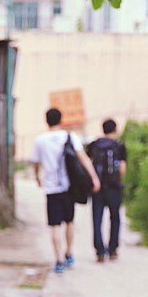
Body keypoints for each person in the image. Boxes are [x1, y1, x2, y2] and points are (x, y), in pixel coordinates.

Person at [31, 108, 100, 273]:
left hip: (51, 187)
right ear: (61, 120)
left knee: (55, 225)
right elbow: (83, 158)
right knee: (69, 221)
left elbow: (35, 162)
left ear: (46, 121)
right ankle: (69, 252)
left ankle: (59, 260)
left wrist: (37, 177)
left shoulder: (40, 140)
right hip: (69, 187)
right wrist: (94, 178)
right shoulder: (70, 137)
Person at [87, 119, 127, 262]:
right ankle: (113, 250)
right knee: (115, 218)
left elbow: (88, 164)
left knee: (97, 219)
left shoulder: (94, 144)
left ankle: (99, 252)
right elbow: (122, 169)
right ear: (115, 129)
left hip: (97, 187)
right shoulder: (120, 146)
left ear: (103, 129)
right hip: (114, 187)